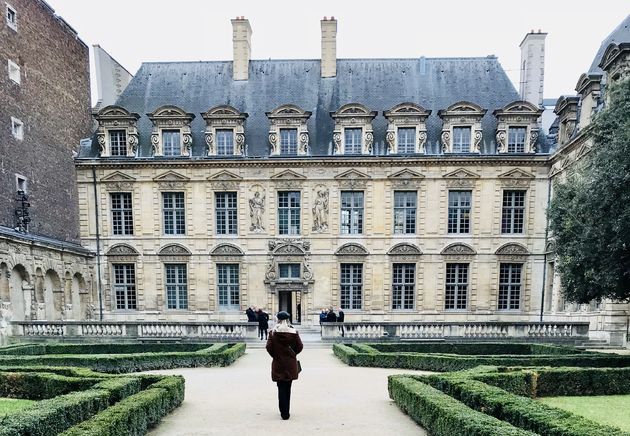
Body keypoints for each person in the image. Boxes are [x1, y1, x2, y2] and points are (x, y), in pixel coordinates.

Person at [266, 311, 303, 420]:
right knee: (288, 387)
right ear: (288, 320)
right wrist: (292, 354)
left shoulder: (273, 333)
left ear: (278, 320)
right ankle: (286, 412)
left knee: (280, 388)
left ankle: (284, 412)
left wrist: (276, 355)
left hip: (278, 363)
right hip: (290, 364)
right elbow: (300, 347)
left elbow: (268, 347)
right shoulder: (294, 332)